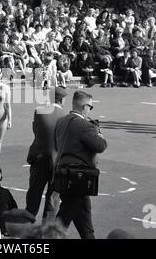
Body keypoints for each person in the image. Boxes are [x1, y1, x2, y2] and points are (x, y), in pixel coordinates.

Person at [54, 91, 107, 239]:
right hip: (79, 177)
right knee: (64, 217)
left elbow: (57, 145)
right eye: (91, 107)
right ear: (84, 107)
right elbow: (101, 145)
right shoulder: (84, 125)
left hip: (63, 173)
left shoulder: (61, 121)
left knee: (83, 218)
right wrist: (99, 134)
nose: (90, 110)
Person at [26, 87, 67, 220]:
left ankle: (27, 224)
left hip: (39, 156)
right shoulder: (66, 117)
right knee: (53, 197)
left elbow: (35, 131)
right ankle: (46, 232)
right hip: (58, 162)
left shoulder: (39, 111)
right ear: (62, 100)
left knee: (34, 193)